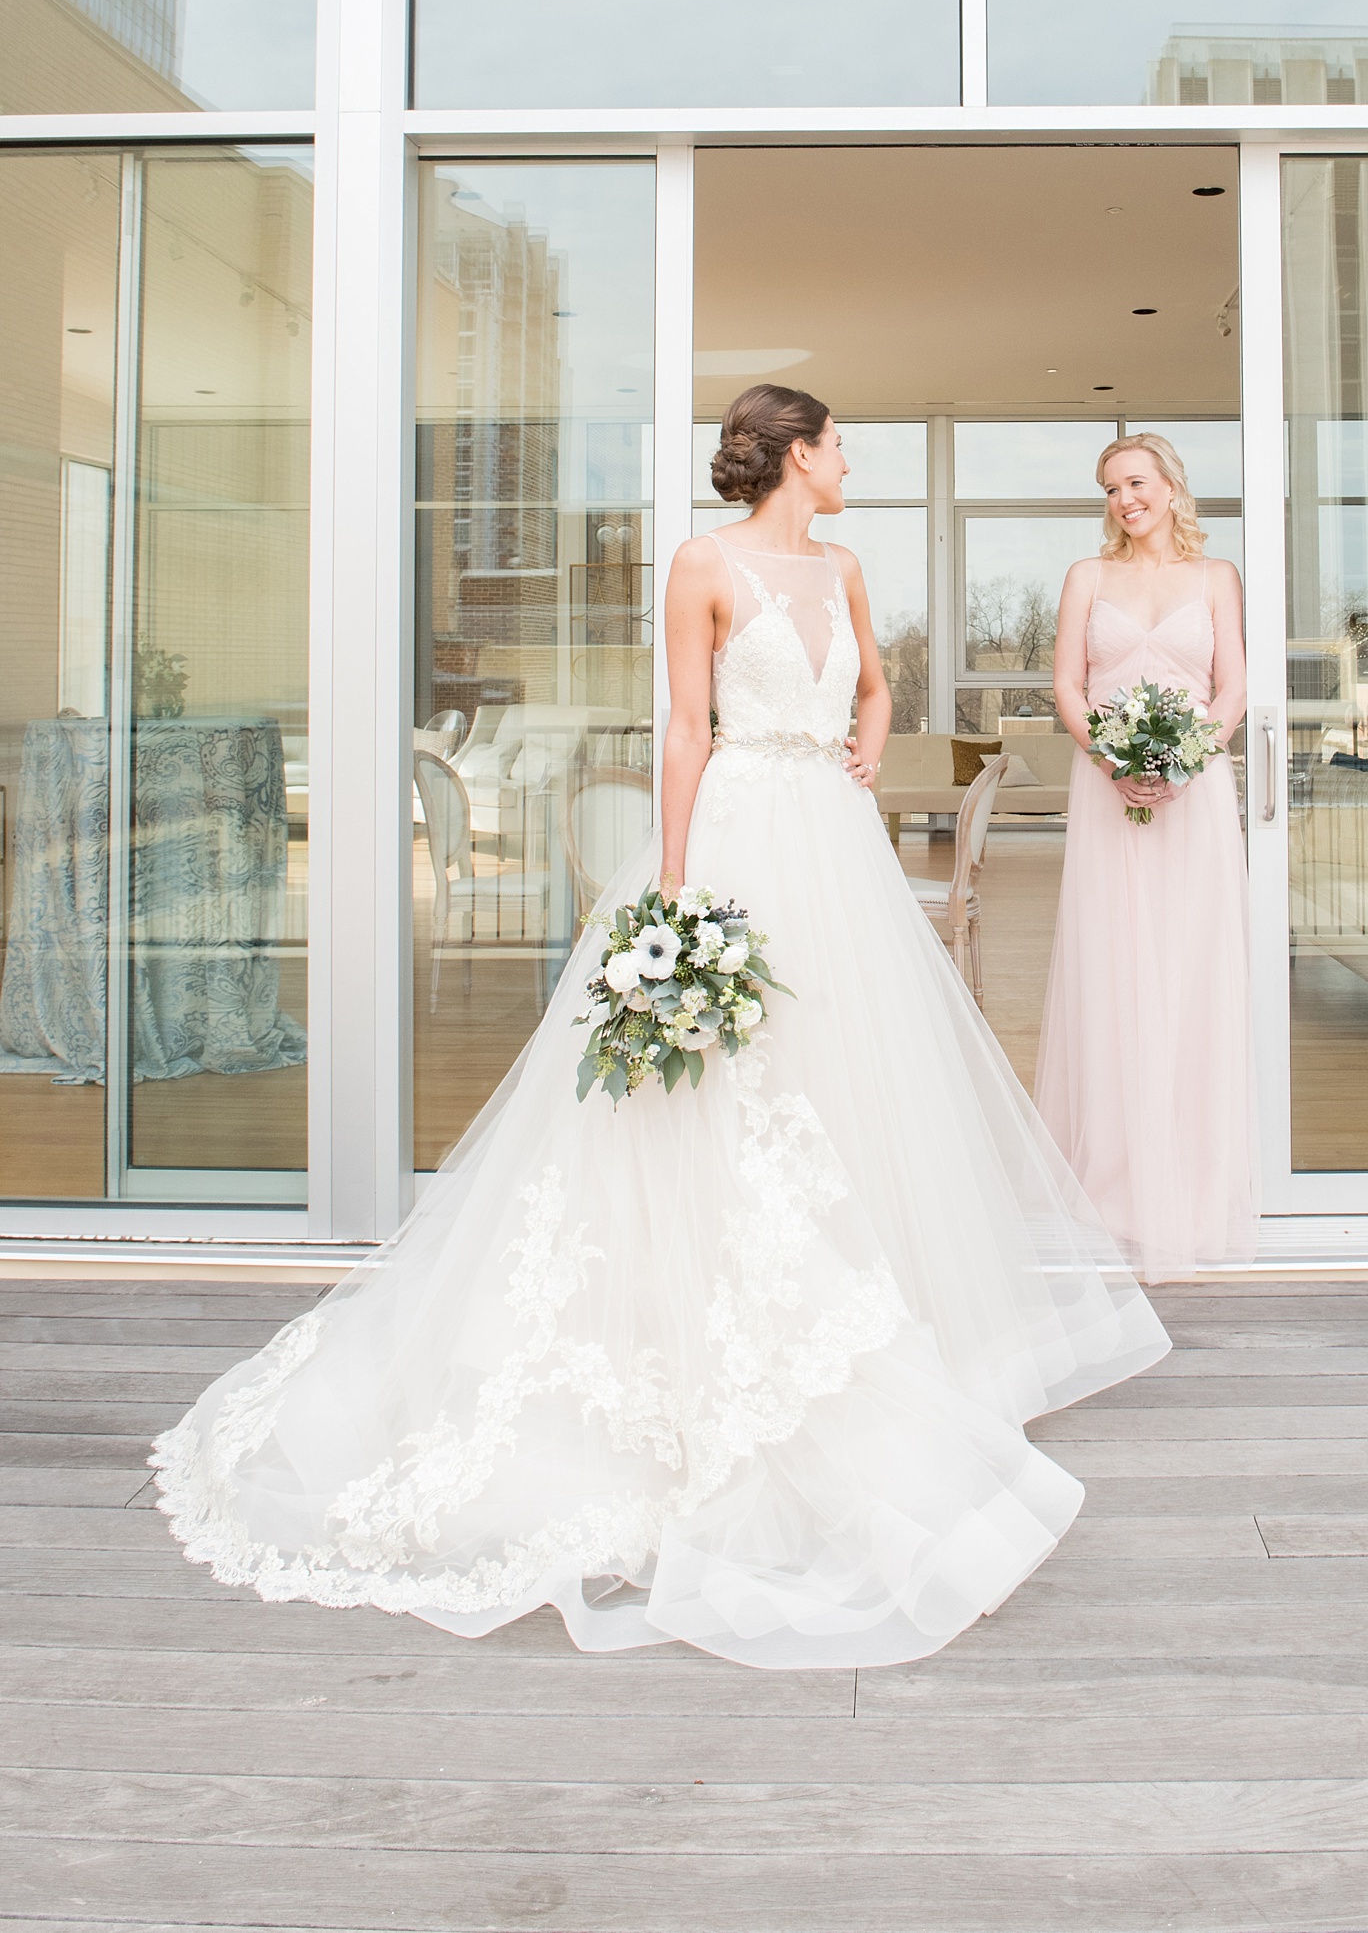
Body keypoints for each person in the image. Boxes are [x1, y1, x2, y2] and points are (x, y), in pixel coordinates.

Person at [150, 384, 1169, 1670]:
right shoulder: (705, 561)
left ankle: (877, 1329)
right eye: (839, 444)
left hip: (831, 846)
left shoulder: (847, 565)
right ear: (795, 455)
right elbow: (685, 727)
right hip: (738, 836)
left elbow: (880, 686)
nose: (849, 460)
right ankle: (691, 1350)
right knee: (718, 1093)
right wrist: (676, 892)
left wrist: (862, 747)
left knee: (853, 1078)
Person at [1035, 433, 1257, 1281]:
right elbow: (1065, 685)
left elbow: (1232, 688)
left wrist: (1185, 761)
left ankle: (1195, 1184)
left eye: (1135, 482)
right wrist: (1113, 763)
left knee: (1190, 971)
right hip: (1108, 792)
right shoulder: (1087, 579)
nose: (1123, 498)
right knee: (1117, 968)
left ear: (1169, 486)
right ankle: (1119, 1183)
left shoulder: (1217, 578)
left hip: (1195, 799)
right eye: (1110, 487)